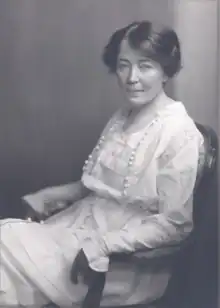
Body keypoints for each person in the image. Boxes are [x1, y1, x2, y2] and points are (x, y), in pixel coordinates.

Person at [0, 20, 204, 307]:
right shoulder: (123, 117)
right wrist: (52, 194)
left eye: (145, 66)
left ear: (165, 71)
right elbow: (102, 187)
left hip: (122, 264)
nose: (132, 77)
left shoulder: (179, 133)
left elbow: (175, 225)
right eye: (123, 65)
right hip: (74, 229)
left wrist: (103, 245)